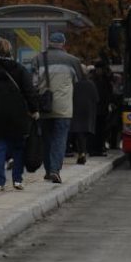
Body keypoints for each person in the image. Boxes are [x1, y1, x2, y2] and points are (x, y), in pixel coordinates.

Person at [0, 39, 39, 191]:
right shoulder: (20, 69)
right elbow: (29, 91)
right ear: (10, 51)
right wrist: (34, 109)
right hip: (18, 115)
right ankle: (17, 180)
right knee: (18, 148)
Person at [32, 31, 83, 184]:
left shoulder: (38, 59)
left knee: (46, 139)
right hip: (64, 108)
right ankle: (55, 170)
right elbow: (78, 80)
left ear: (49, 43)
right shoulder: (73, 60)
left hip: (44, 106)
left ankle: (48, 171)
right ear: (63, 44)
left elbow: (33, 83)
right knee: (59, 139)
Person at [70, 65, 99, 165]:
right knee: (84, 134)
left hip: (76, 110)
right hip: (88, 112)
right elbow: (96, 99)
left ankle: (81, 153)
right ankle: (82, 153)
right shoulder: (91, 84)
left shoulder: (74, 84)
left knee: (79, 133)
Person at [89, 60, 113, 156]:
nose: (100, 71)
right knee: (97, 129)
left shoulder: (104, 80)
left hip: (102, 109)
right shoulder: (95, 80)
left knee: (101, 130)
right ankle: (95, 149)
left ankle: (99, 148)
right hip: (97, 108)